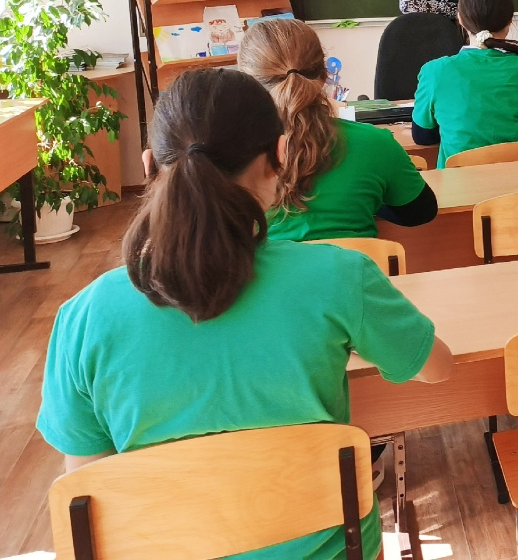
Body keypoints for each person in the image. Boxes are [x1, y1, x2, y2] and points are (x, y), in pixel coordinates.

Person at [36, 67, 453, 560]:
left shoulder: (83, 317)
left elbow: (86, 486)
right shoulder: (339, 276)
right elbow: (436, 368)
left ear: (149, 164)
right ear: (280, 155)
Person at [239, 19, 438, 242]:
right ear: (325, 74)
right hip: (359, 264)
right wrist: (370, 198)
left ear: (245, 85)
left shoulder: (229, 155)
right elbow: (420, 213)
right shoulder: (374, 142)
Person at [412, 0, 518, 167]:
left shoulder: (434, 72)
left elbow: (423, 136)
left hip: (459, 185)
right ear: (510, 19)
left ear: (460, 18)